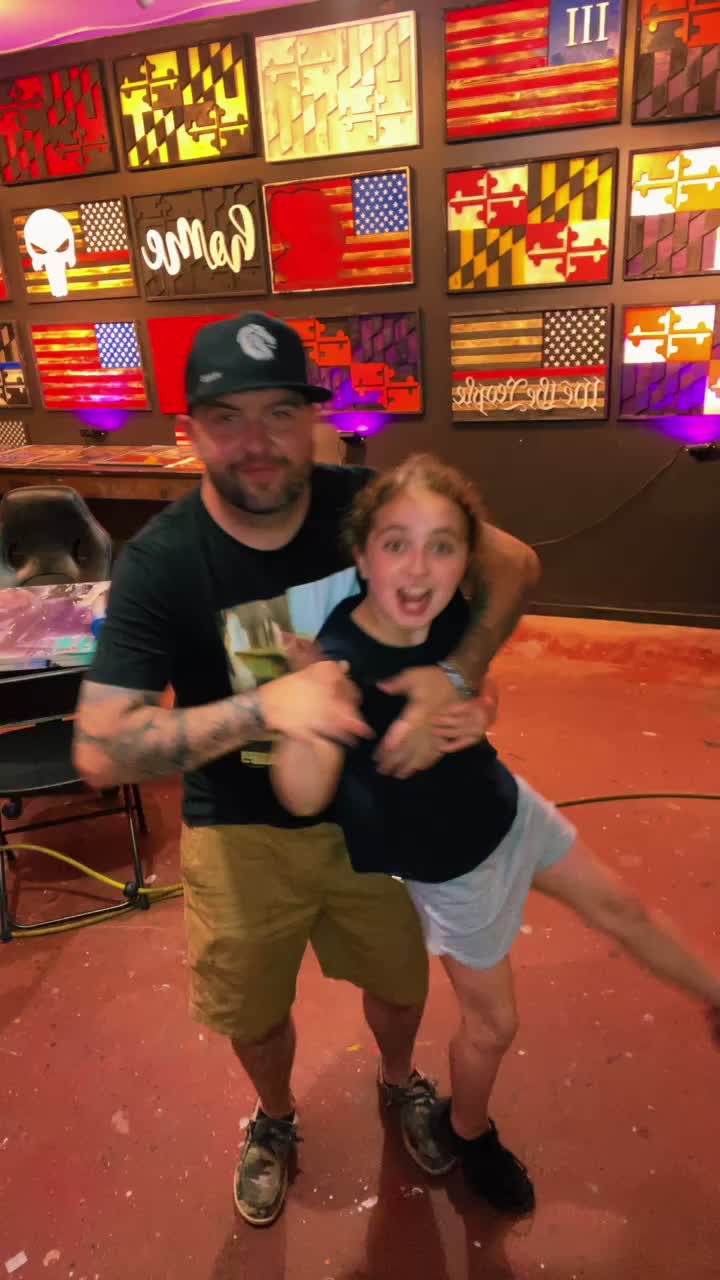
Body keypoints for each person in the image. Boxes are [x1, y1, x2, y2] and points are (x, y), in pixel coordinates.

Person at [72, 315, 540, 1228]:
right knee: (252, 1012)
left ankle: (399, 1082)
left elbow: (514, 565)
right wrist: (262, 709)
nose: (258, 441)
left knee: (399, 985)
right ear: (189, 429)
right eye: (227, 417)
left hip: (374, 808)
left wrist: (456, 677)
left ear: (314, 420)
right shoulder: (163, 562)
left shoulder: (368, 504)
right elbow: (99, 748)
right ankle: (277, 1117)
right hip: (239, 826)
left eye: (280, 412)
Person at [271, 452, 720, 1217]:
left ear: (465, 559)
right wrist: (296, 716)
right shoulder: (341, 658)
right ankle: (469, 1130)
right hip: (454, 868)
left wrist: (475, 706)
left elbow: (484, 679)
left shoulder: (446, 615)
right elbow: (303, 787)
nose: (420, 567)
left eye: (443, 546)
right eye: (397, 544)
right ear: (361, 558)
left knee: (624, 908)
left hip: (508, 809)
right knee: (494, 1024)